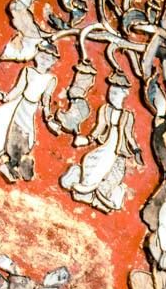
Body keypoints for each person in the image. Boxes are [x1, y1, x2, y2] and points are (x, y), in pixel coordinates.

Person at [0, 45, 59, 182]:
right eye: (42, 55)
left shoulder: (50, 79)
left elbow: (46, 99)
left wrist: (48, 117)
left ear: (53, 62)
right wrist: (3, 97)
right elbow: (18, 89)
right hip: (18, 105)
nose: (44, 59)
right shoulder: (28, 71)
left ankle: (4, 163)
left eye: (49, 58)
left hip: (30, 108)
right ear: (36, 54)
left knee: (25, 138)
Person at [59, 72, 141, 212]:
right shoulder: (105, 109)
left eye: (115, 93)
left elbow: (129, 135)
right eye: (111, 92)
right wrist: (87, 139)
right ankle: (85, 185)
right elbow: (99, 128)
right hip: (106, 144)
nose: (111, 95)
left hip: (118, 148)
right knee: (92, 161)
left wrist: (136, 150)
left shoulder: (127, 115)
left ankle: (101, 194)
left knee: (112, 173)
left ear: (124, 94)